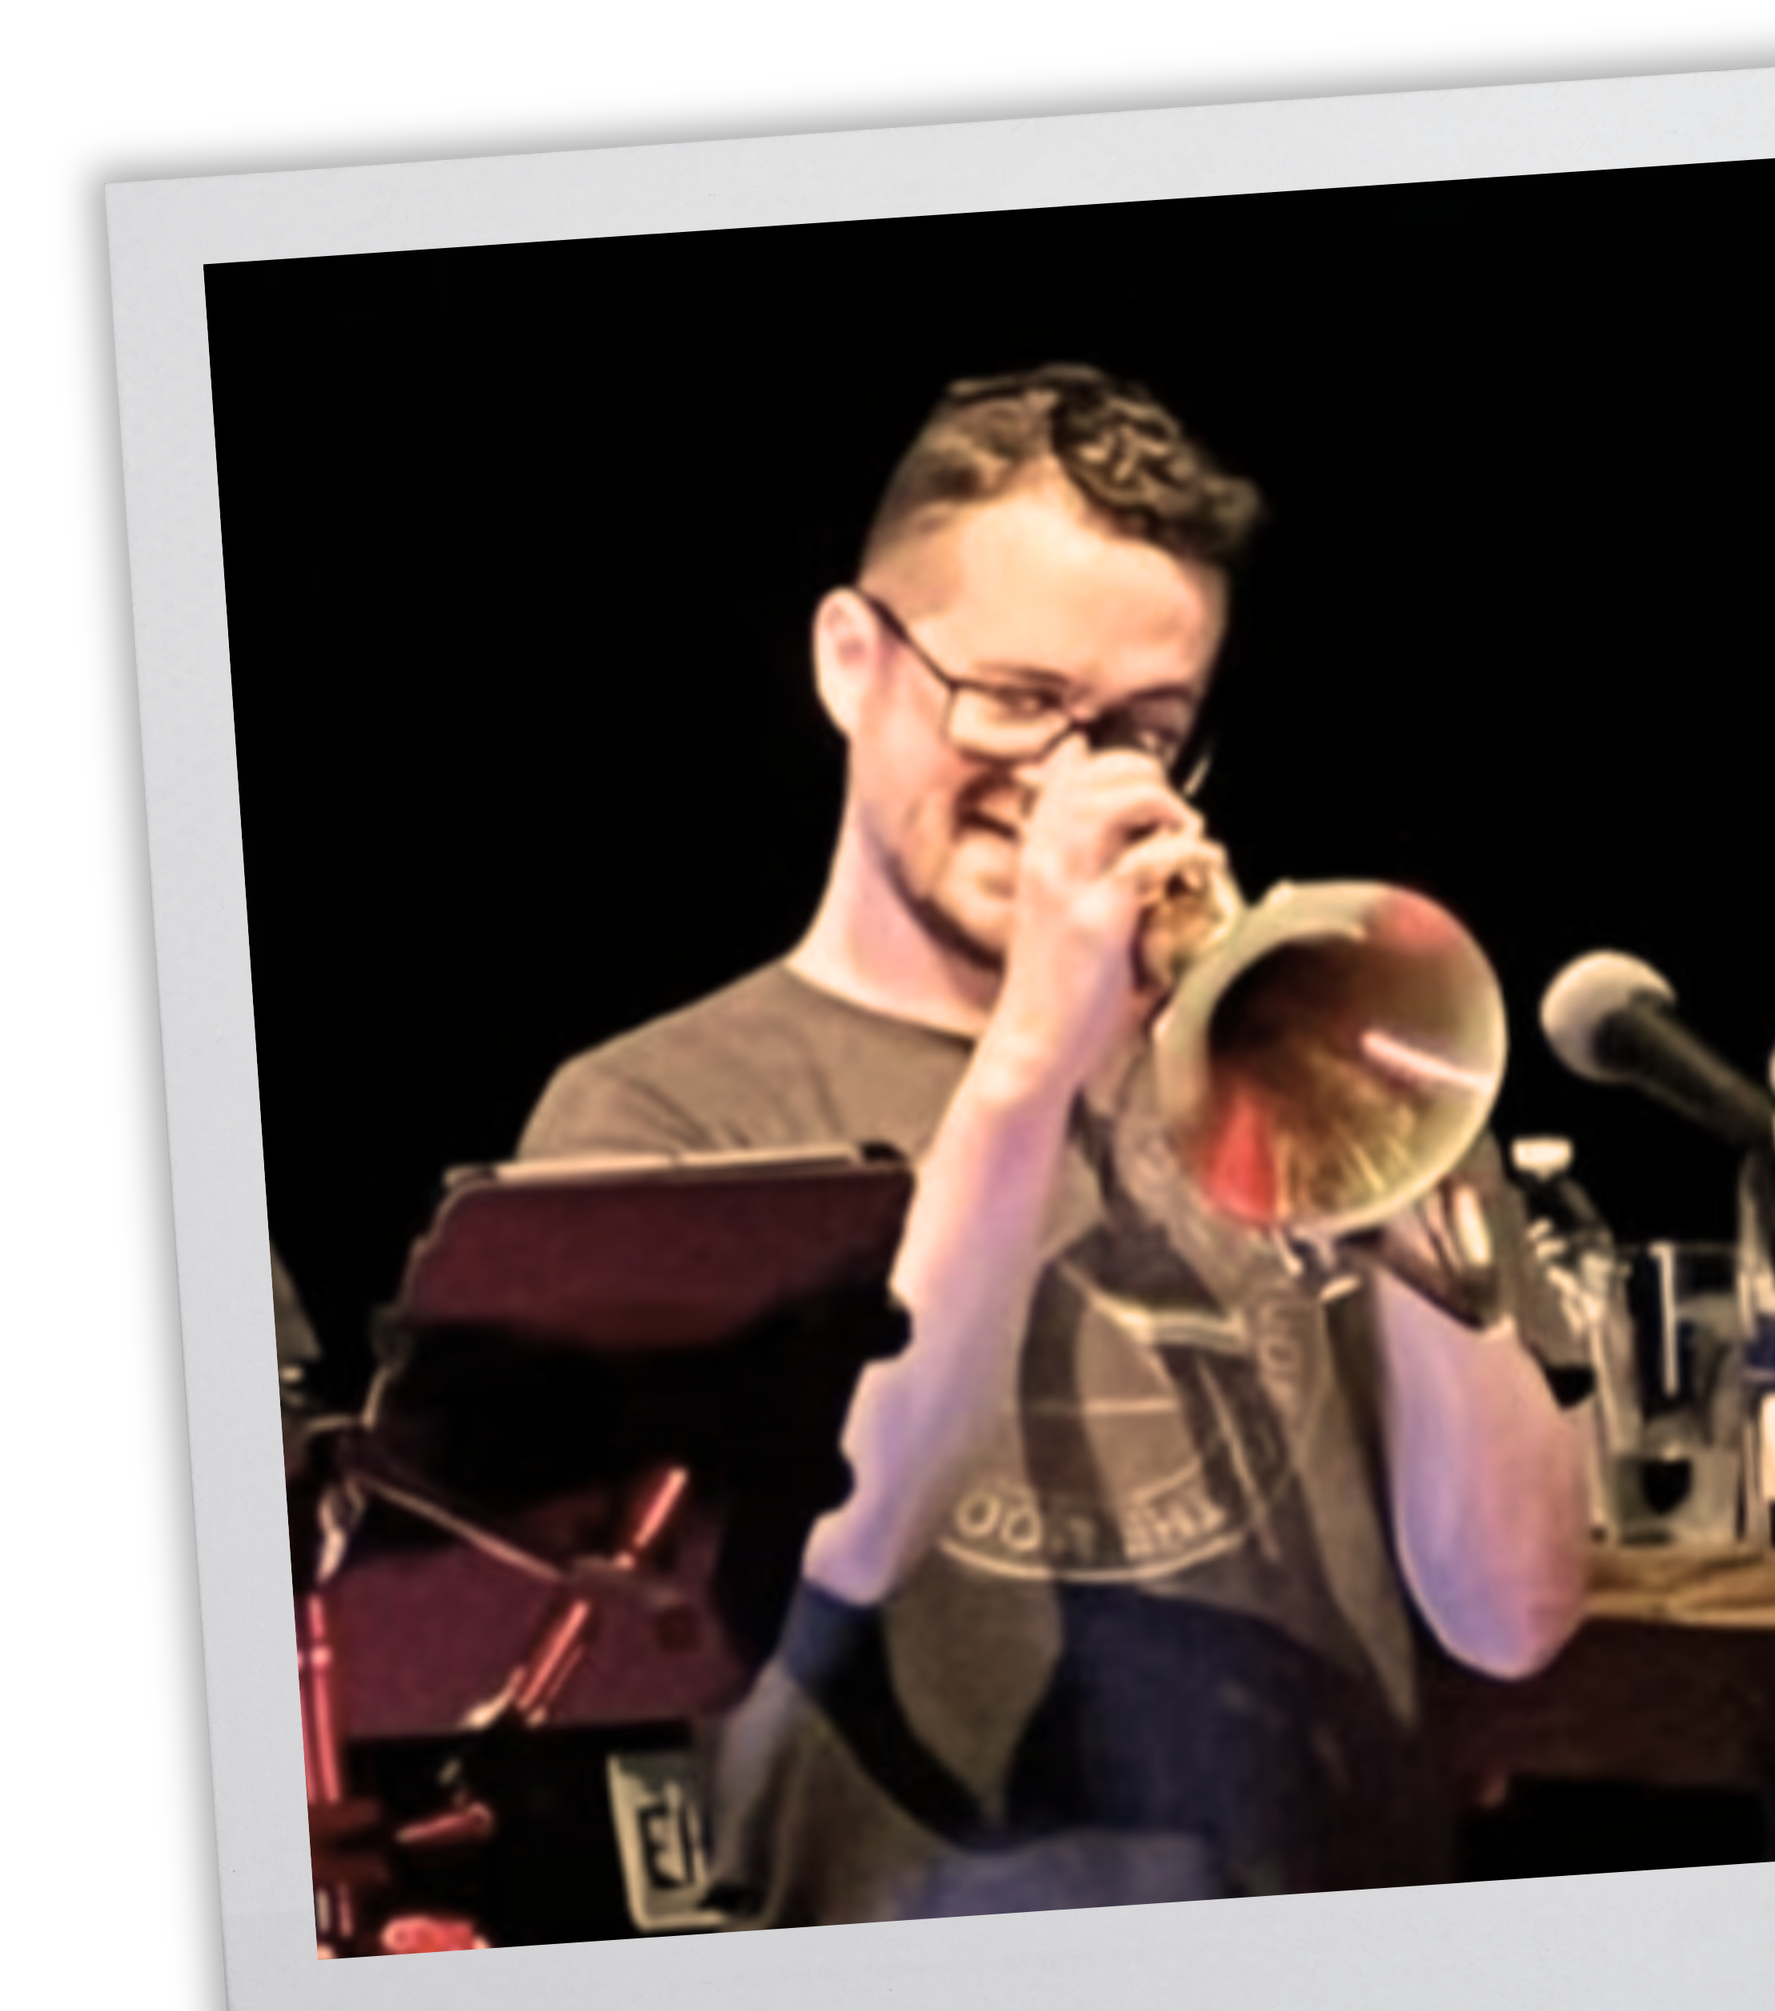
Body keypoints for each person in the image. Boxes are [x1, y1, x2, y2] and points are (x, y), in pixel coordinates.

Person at [517, 365, 1592, 1924]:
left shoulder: (1304, 1044)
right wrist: (1034, 1056)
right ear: (849, 663)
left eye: (1144, 728)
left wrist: (1392, 1168)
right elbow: (832, 1545)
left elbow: (1516, 1615)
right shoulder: (659, 1117)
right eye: (1018, 701)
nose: (1081, 780)